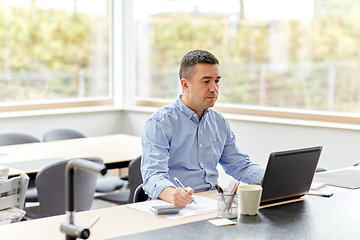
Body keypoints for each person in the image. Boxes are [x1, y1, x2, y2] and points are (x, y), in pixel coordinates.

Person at [141, 49, 265, 208]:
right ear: (185, 84)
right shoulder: (160, 123)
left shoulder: (219, 122)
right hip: (177, 208)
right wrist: (172, 193)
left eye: (217, 81)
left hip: (212, 205)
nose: (214, 88)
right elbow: (153, 176)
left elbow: (240, 166)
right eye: (206, 81)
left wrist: (274, 177)